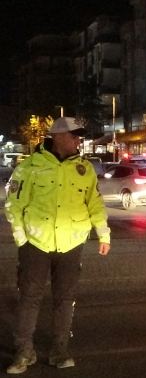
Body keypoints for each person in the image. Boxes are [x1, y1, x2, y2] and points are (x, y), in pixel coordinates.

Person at [5, 117, 110, 374]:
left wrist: (103, 234)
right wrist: (22, 239)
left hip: (71, 244)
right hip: (36, 245)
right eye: (74, 136)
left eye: (79, 136)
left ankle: (59, 350)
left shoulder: (83, 168)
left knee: (65, 300)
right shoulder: (30, 167)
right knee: (29, 298)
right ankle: (24, 352)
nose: (78, 140)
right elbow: (14, 205)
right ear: (58, 137)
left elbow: (94, 203)